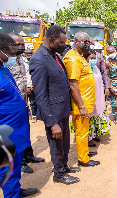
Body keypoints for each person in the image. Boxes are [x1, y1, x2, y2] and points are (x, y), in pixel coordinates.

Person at [30, 26, 80, 185]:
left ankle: (64, 166)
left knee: (65, 142)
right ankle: (58, 173)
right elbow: (40, 94)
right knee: (56, 144)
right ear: (51, 40)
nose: (64, 45)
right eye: (61, 42)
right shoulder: (38, 59)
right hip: (53, 112)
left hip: (63, 109)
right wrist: (51, 123)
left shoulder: (54, 55)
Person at [0, 33, 37, 198]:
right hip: (5, 132)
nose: (14, 56)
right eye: (11, 52)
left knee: (14, 169)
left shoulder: (3, 69)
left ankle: (16, 190)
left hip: (17, 130)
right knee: (7, 169)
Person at [8, 33, 45, 175]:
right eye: (18, 44)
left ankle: (29, 155)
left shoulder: (21, 59)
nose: (21, 47)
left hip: (23, 101)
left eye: (22, 44)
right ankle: (21, 162)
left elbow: (26, 76)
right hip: (11, 104)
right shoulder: (6, 62)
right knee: (15, 134)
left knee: (25, 130)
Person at [63, 32, 100, 167]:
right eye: (84, 41)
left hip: (85, 101)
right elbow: (73, 85)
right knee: (81, 131)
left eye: (88, 42)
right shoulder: (73, 59)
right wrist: (82, 106)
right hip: (80, 104)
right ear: (75, 41)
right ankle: (83, 159)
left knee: (84, 130)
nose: (87, 44)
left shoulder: (79, 56)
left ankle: (84, 151)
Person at [80, 49, 111, 147]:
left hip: (98, 96)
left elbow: (101, 77)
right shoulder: (83, 69)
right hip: (88, 97)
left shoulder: (95, 68)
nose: (93, 60)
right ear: (85, 58)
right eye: (91, 58)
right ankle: (88, 138)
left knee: (96, 114)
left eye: (94, 58)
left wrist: (105, 89)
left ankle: (94, 135)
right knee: (89, 116)